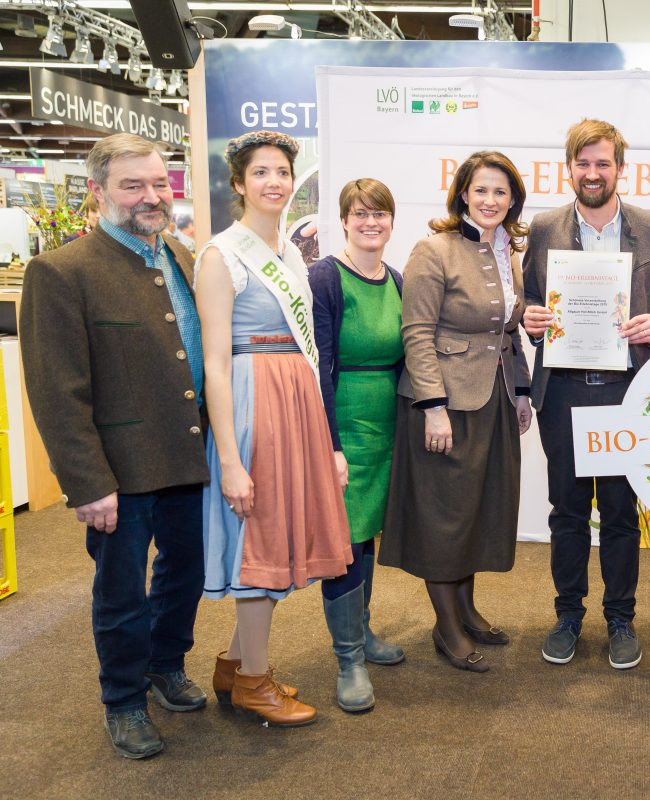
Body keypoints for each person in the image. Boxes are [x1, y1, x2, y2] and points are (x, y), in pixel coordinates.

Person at [20, 133, 209, 758]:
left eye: (159, 183)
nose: (151, 196)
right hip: (116, 474)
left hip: (185, 458)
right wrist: (87, 482)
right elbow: (56, 390)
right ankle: (123, 701)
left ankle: (165, 665)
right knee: (122, 594)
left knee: (185, 575)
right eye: (134, 186)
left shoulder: (180, 255)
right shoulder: (62, 271)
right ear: (99, 193)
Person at [195, 130, 352, 727]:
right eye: (260, 173)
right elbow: (214, 362)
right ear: (238, 184)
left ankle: (236, 665)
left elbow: (311, 350)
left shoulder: (290, 252)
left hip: (295, 401)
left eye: (283, 172)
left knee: (276, 531)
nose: (274, 182)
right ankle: (254, 683)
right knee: (258, 535)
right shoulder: (221, 255)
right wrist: (230, 459)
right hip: (251, 402)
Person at [522, 119, 650, 670]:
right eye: (583, 163)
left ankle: (621, 618)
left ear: (619, 167)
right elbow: (530, 300)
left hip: (625, 392)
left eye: (603, 163)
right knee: (565, 511)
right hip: (563, 393)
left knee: (618, 511)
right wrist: (531, 317)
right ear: (569, 168)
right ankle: (568, 615)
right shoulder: (543, 229)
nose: (593, 173)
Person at [379, 151, 533, 673]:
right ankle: (446, 627)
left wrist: (523, 392)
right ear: (463, 194)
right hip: (444, 403)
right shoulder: (433, 249)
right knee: (444, 514)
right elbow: (417, 333)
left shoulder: (509, 253)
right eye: (481, 190)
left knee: (477, 509)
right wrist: (433, 406)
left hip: (494, 397)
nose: (491, 201)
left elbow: (508, 334)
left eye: (501, 192)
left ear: (513, 201)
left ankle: (466, 610)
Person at [310, 178, 406, 712]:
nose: (371, 222)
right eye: (361, 213)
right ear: (344, 220)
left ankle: (363, 633)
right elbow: (317, 364)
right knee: (344, 538)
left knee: (365, 532)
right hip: (341, 419)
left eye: (381, 214)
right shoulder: (325, 276)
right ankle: (348, 658)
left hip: (386, 424)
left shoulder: (396, 279)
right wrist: (330, 443)